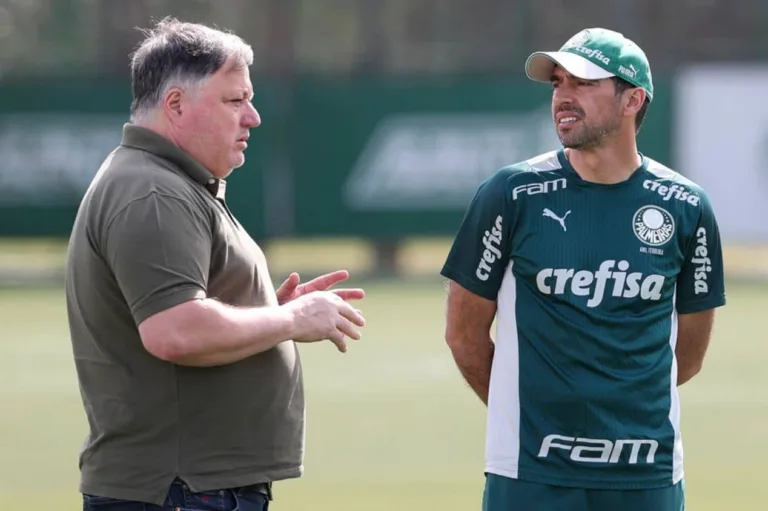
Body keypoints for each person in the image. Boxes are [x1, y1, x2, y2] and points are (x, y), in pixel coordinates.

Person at [65, 17, 366, 511]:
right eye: (235, 100)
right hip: (180, 491)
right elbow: (174, 331)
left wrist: (263, 310)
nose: (253, 117)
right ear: (176, 105)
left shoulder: (164, 181)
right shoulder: (153, 191)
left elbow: (183, 312)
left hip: (189, 488)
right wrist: (290, 319)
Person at [440, 27, 725, 511]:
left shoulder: (687, 206)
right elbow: (464, 336)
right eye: (558, 83)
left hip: (648, 472)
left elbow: (689, 355)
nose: (563, 97)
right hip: (528, 472)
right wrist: (526, 417)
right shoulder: (509, 194)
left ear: (632, 99)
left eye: (584, 83)